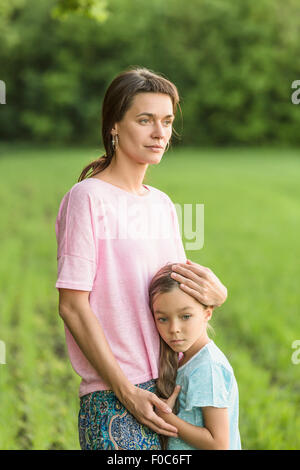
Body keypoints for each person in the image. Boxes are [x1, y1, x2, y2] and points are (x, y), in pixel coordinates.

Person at [55, 66, 228, 450]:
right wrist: (126, 390)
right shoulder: (88, 199)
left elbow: (178, 294)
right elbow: (72, 306)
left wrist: (216, 295)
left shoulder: (162, 204)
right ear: (114, 125)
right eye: (145, 120)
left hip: (173, 388)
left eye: (166, 121)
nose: (160, 133)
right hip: (115, 397)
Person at [148, 263, 241, 450]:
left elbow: (218, 444)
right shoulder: (188, 359)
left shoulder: (207, 367)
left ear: (207, 313)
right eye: (163, 319)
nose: (174, 329)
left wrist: (168, 418)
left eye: (185, 316)